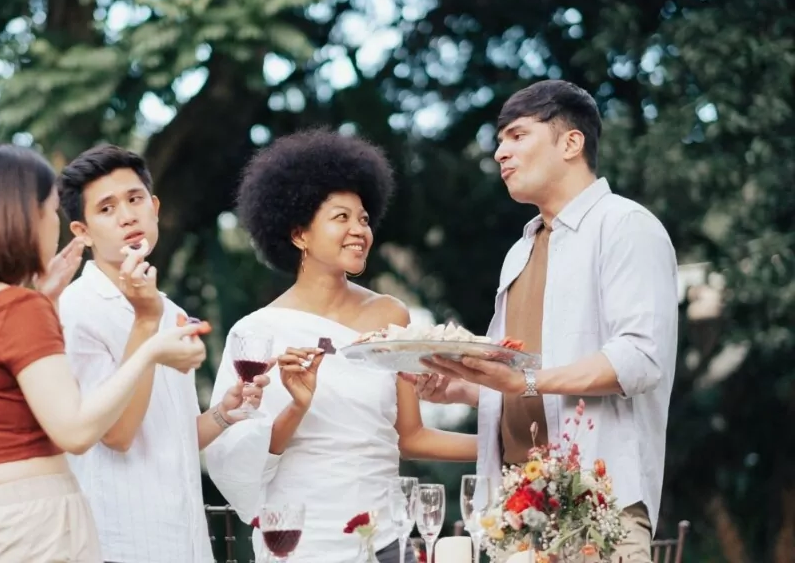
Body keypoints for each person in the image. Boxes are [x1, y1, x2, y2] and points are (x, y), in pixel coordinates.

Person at [411, 80, 678, 562]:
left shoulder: (625, 225)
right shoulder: (520, 250)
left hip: (597, 507)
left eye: (516, 136)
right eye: (499, 140)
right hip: (514, 511)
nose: (499, 153)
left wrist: (522, 381)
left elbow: (640, 358)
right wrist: (463, 385)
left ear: (571, 143)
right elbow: (518, 381)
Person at [204, 129, 477, 563]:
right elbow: (236, 459)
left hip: (386, 536)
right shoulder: (256, 333)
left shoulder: (392, 316)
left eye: (364, 219)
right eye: (341, 218)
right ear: (299, 235)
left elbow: (411, 436)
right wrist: (297, 406)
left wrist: (501, 447)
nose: (358, 230)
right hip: (297, 539)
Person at [0, 143, 207, 562]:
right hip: (39, 522)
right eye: (49, 211)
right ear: (22, 218)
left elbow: (4, 401)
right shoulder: (19, 310)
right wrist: (149, 349)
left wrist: (45, 300)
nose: (53, 226)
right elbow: (76, 431)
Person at [56, 144, 269, 563]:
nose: (127, 216)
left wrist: (224, 413)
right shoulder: (79, 308)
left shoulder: (169, 310)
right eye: (106, 208)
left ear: (154, 207)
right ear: (82, 232)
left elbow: (172, 437)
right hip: (120, 542)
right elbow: (117, 435)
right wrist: (146, 325)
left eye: (135, 199)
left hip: (184, 538)